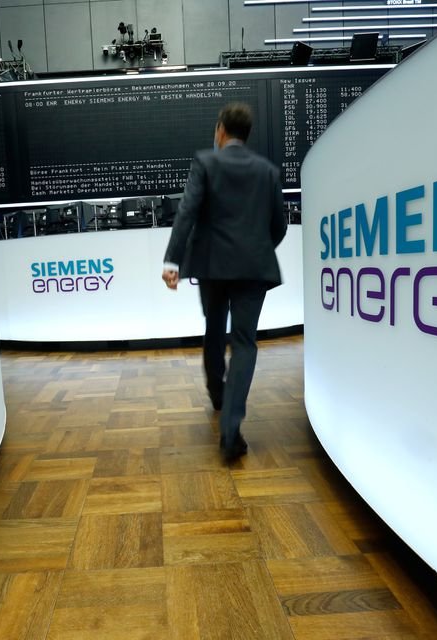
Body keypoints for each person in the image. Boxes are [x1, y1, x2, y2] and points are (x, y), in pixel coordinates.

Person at [162, 102, 287, 463]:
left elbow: (187, 212)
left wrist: (173, 261)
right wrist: (257, 249)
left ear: (220, 131)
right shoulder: (268, 171)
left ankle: (218, 395)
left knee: (214, 331)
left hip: (212, 268)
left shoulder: (205, 162)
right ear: (244, 135)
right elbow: (278, 226)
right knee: (245, 344)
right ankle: (231, 428)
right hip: (254, 269)